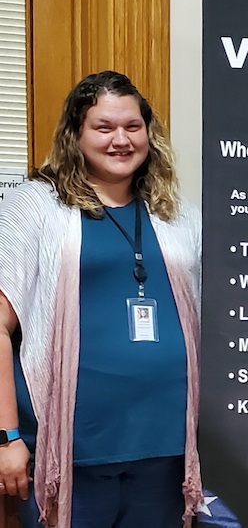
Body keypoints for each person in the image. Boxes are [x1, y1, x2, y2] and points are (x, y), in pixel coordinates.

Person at [0, 71, 202, 527]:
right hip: (71, 452)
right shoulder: (36, 206)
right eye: (104, 127)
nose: (121, 140)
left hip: (165, 450)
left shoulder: (178, 215)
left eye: (132, 127)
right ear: (75, 134)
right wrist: (5, 436)